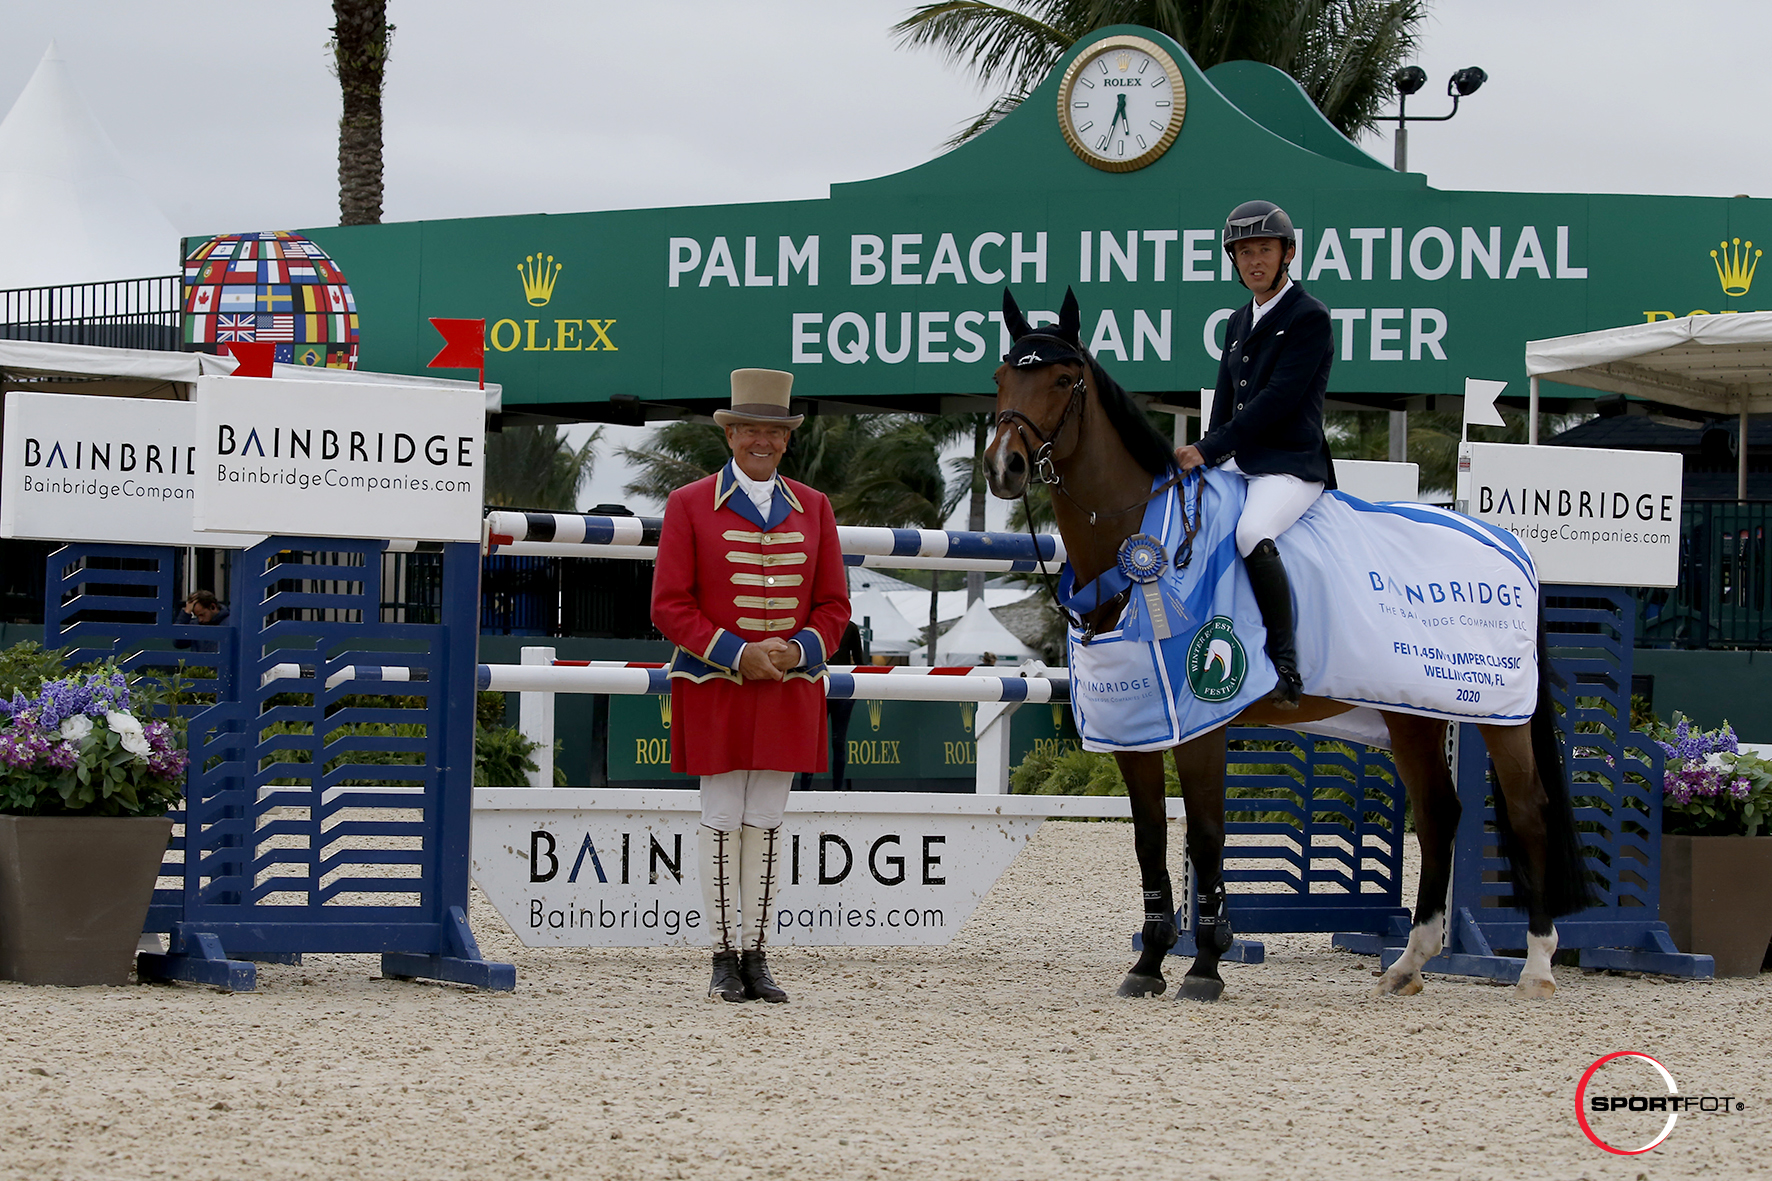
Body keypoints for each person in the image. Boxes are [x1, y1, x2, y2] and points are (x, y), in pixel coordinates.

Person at [651, 369, 851, 1004]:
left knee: (765, 820)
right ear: (730, 435)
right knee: (719, 819)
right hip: (715, 684)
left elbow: (835, 605)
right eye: (749, 430)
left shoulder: (814, 507)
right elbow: (669, 605)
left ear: (787, 440)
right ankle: (720, 958)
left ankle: (757, 956)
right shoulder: (687, 504)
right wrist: (737, 653)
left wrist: (795, 650)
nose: (761, 441)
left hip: (788, 685)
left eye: (773, 431)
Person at [1173, 200, 1336, 710]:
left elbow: (1277, 401)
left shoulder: (1308, 316)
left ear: (1287, 253)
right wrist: (1205, 455)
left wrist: (1209, 448)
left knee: (1249, 532)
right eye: (1244, 252)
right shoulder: (1238, 320)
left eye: (1264, 249)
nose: (1254, 261)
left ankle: (1286, 665)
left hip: (1290, 465)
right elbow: (1226, 402)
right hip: (1241, 463)